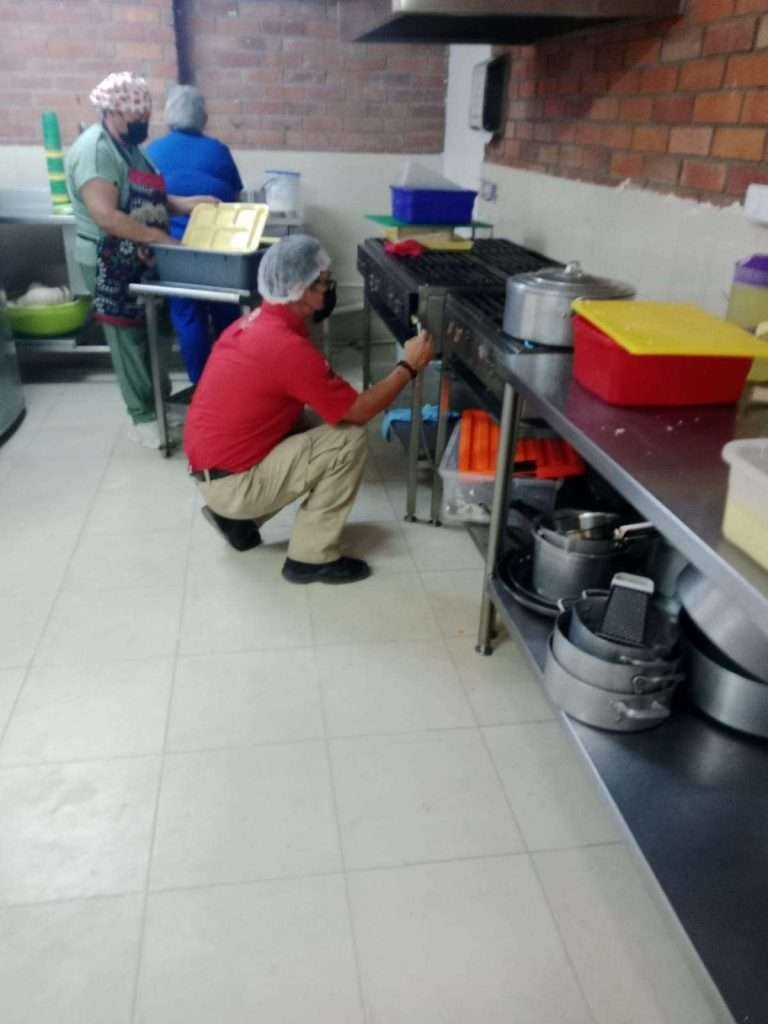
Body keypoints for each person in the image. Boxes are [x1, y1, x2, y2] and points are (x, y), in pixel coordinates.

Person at [184, 234, 434, 585]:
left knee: (314, 421)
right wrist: (409, 366)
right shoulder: (285, 347)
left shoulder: (255, 323)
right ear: (301, 290)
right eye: (325, 283)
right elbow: (359, 410)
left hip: (216, 469)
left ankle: (237, 523)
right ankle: (311, 558)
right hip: (233, 484)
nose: (330, 290)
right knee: (346, 440)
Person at [65, 71, 217, 448]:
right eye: (136, 118)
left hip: (140, 257)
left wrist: (191, 203)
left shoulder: (130, 148)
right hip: (110, 261)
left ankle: (160, 404)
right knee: (129, 341)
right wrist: (162, 239)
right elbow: (107, 216)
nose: (142, 124)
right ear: (112, 111)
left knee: (154, 334)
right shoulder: (95, 151)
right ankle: (145, 417)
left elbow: (151, 198)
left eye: (146, 117)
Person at [146, 85, 245, 384]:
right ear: (202, 115)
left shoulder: (152, 153)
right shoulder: (218, 151)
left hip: (174, 251)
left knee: (187, 316)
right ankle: (232, 381)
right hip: (218, 250)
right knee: (226, 313)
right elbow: (236, 200)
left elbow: (145, 205)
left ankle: (200, 385)